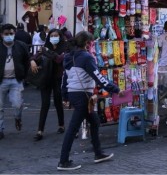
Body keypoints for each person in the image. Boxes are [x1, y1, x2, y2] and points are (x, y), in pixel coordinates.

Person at [58, 31, 123, 170]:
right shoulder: (87, 58)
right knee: (73, 128)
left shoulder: (69, 57)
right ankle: (63, 161)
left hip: (74, 93)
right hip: (82, 96)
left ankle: (98, 154)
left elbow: (65, 78)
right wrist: (116, 89)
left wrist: (65, 96)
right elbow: (99, 77)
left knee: (94, 121)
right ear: (87, 43)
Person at [31, 29, 68, 141]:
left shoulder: (65, 47)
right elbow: (35, 56)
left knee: (58, 102)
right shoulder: (45, 47)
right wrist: (32, 60)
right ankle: (40, 130)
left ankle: (61, 125)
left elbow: (59, 59)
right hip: (46, 78)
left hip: (58, 78)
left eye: (56, 35)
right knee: (45, 104)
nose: (53, 37)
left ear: (60, 36)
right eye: (51, 35)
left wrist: (47, 52)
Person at [0, 24, 30, 140]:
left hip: (16, 80)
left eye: (11, 34)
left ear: (15, 34)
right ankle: (0, 129)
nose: (9, 36)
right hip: (1, 81)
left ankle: (18, 118)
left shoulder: (21, 46)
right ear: (1, 35)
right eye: (6, 34)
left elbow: (26, 61)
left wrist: (25, 76)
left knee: (18, 104)